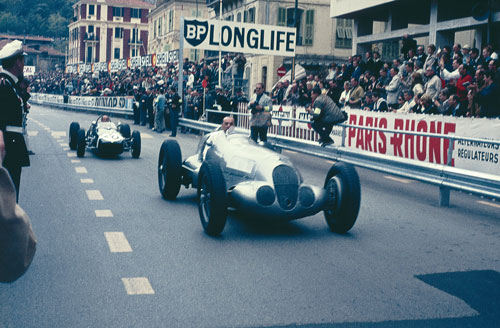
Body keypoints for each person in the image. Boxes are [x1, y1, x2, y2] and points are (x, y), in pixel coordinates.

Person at [0, 40, 30, 202]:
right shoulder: (4, 86)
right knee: (8, 199)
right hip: (9, 147)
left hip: (12, 145)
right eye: (22, 60)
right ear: (17, 63)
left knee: (10, 196)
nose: (24, 64)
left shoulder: (10, 84)